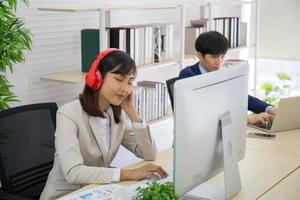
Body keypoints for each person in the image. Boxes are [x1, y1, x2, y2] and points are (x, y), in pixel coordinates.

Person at [40, 49, 167, 200]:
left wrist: (133, 114)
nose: (125, 89)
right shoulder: (68, 114)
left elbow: (148, 153)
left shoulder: (116, 113)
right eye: (119, 80)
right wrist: (127, 173)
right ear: (97, 78)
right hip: (66, 195)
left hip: (97, 191)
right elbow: (73, 172)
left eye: (130, 82)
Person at [179, 31, 276, 126]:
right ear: (200, 56)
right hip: (199, 133)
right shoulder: (187, 76)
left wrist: (269, 108)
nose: (219, 62)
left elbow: (240, 96)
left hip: (225, 131)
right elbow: (205, 111)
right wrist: (244, 118)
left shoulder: (223, 73)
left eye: (222, 56)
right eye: (214, 57)